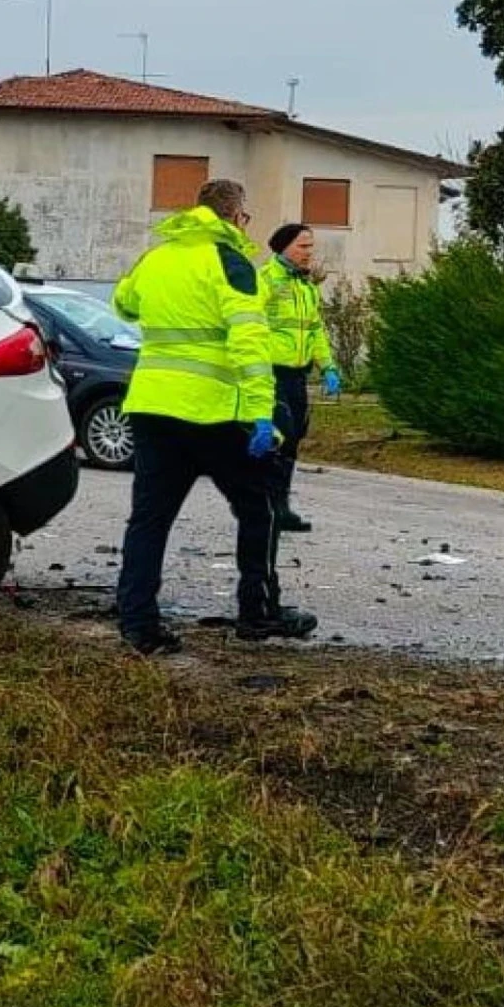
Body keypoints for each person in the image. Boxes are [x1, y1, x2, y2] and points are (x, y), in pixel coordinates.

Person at [112, 178, 318, 655]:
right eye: (246, 217)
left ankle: (138, 624)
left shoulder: (158, 256)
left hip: (153, 407)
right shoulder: (231, 263)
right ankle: (258, 611)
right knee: (259, 509)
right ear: (235, 215)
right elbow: (251, 344)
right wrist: (262, 415)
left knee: (149, 520)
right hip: (214, 414)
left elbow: (124, 303)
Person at [256, 222, 342, 532]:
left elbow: (315, 329)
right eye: (303, 246)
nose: (309, 252)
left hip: (297, 375)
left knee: (293, 442)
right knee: (279, 437)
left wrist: (328, 366)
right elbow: (248, 326)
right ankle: (266, 507)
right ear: (284, 247)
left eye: (311, 246)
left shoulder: (305, 287)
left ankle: (281, 507)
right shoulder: (266, 281)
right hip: (271, 373)